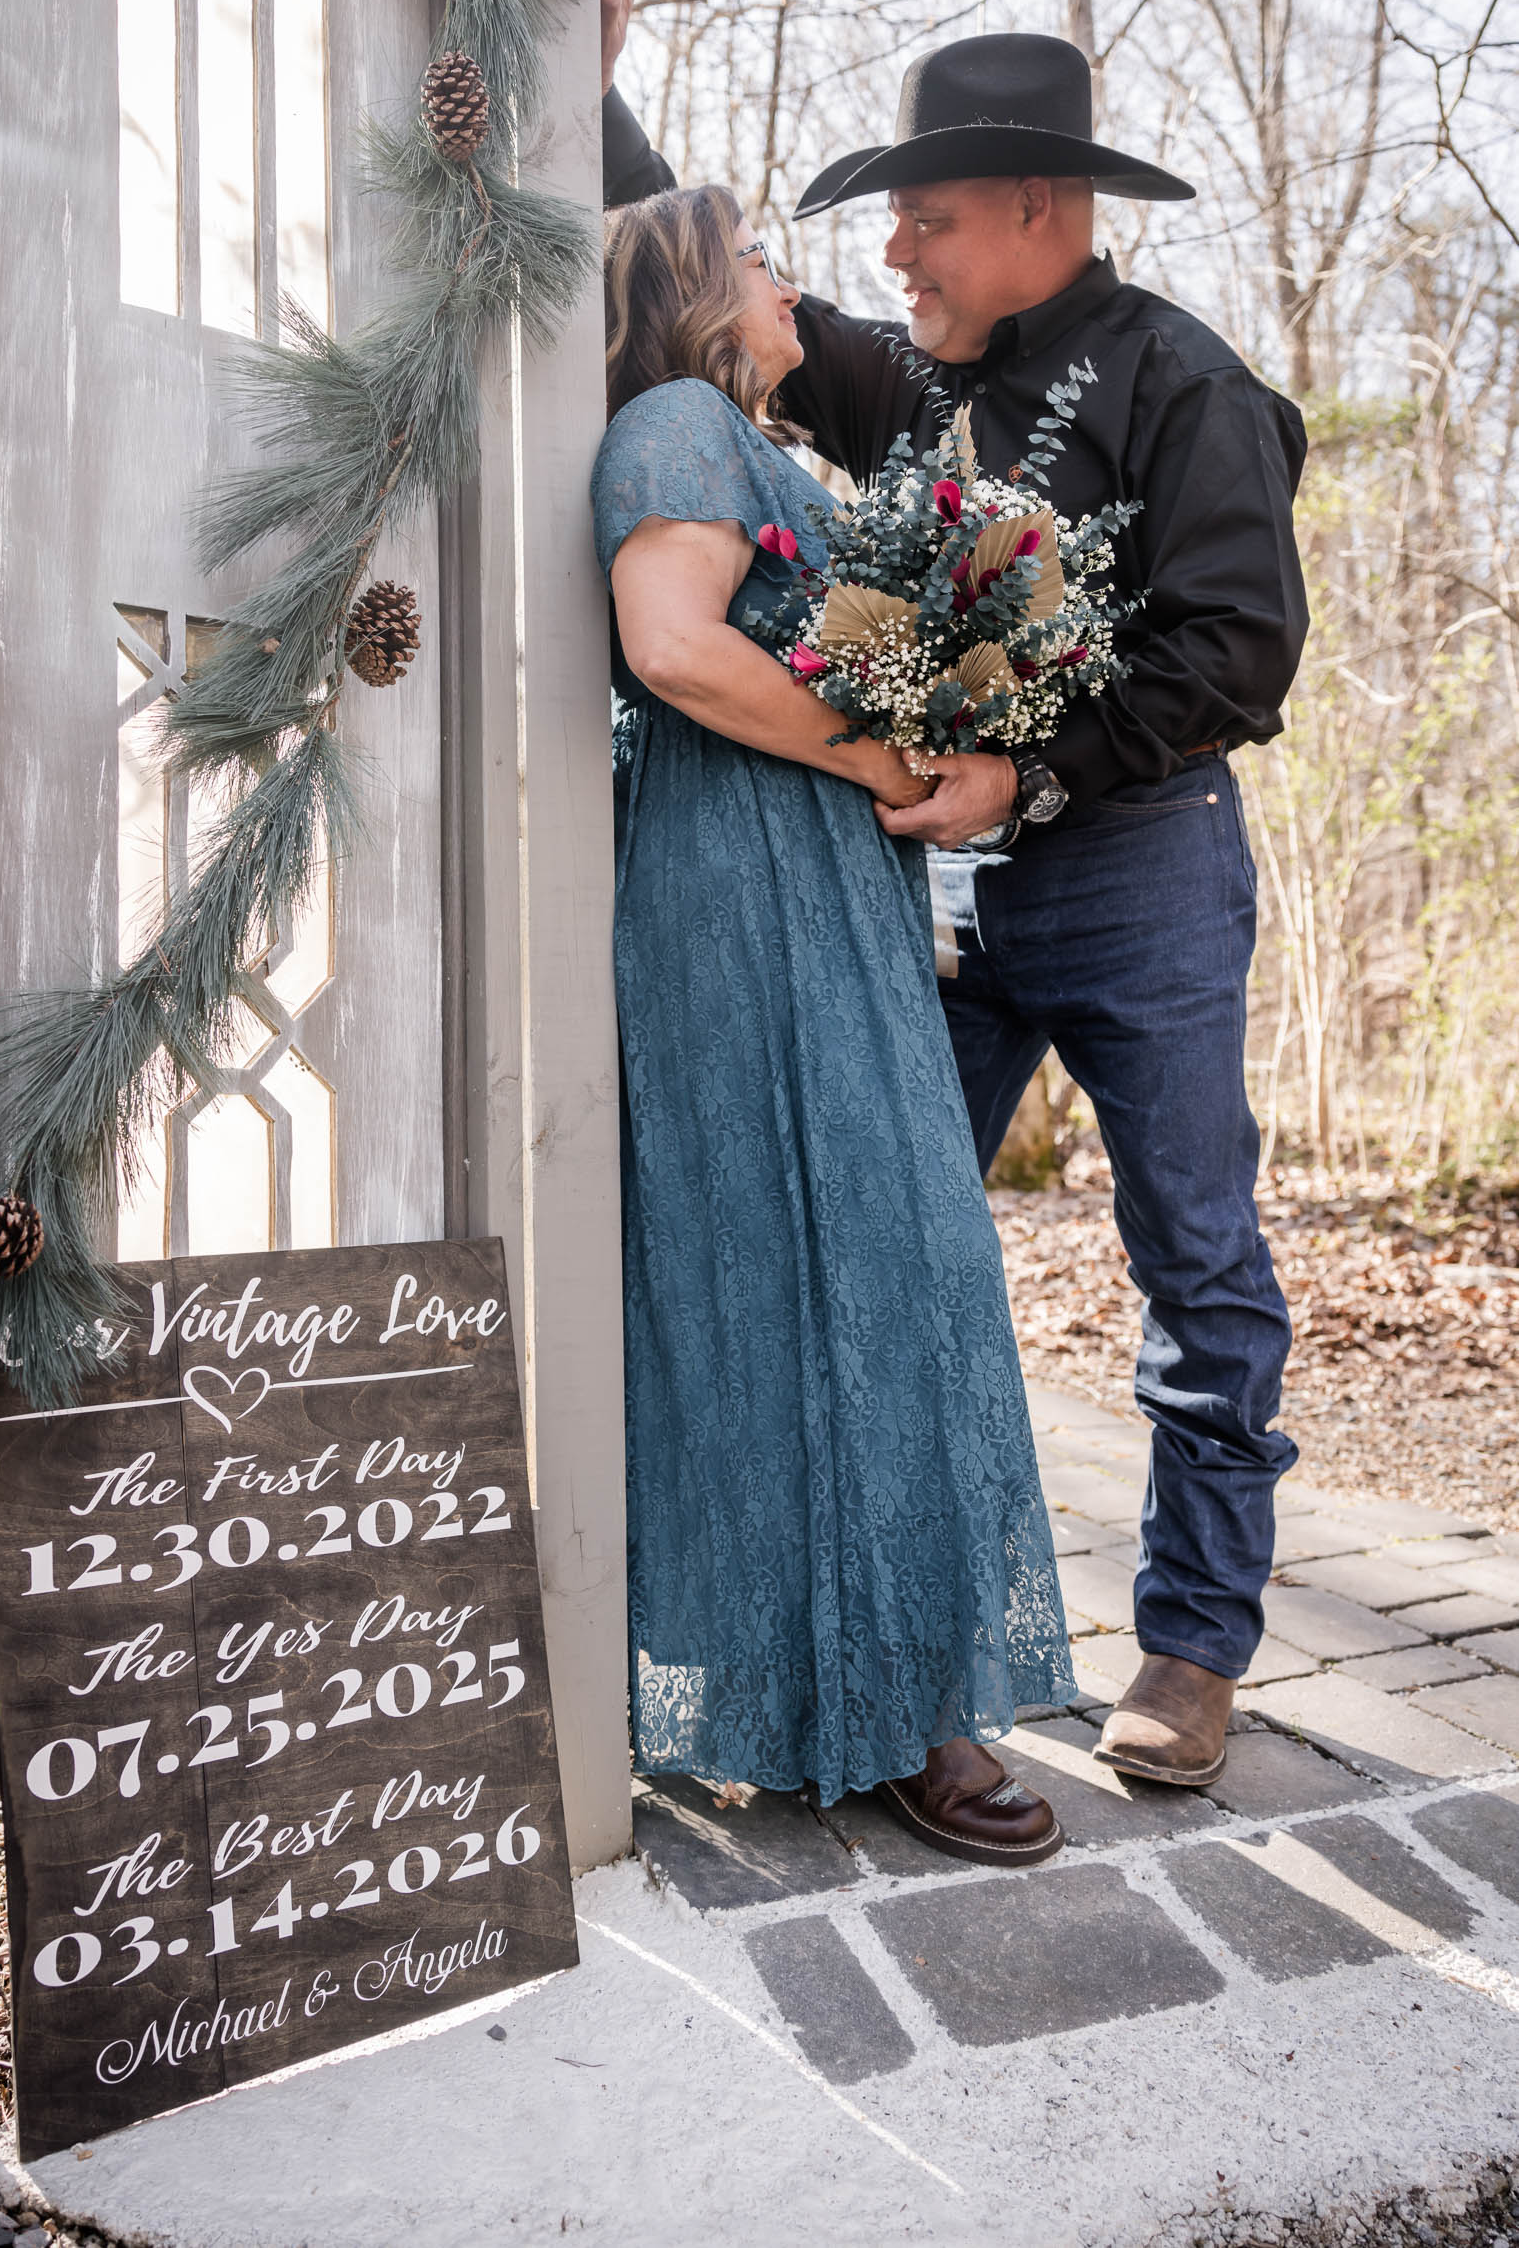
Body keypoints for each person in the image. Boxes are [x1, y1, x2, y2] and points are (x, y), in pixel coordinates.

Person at [597, 0, 1307, 1792]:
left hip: (1137, 871)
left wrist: (1037, 775)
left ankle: (1190, 1650)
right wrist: (586, 55)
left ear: (1036, 215)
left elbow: (1241, 649)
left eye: (920, 213)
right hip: (921, 891)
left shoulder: (1188, 383)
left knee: (1198, 1261)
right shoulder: (912, 385)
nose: (887, 246)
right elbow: (705, 288)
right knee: (887, 1253)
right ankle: (878, 1651)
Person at [595, 180, 1077, 1860]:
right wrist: (879, 754)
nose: (796, 283)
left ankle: (867, 1686)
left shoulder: (768, 453)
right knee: (839, 1259)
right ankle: (892, 1709)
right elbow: (671, 646)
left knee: (861, 1263)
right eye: (764, 261)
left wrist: (956, 679)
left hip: (825, 902)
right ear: (701, 294)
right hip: (739, 900)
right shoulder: (672, 418)